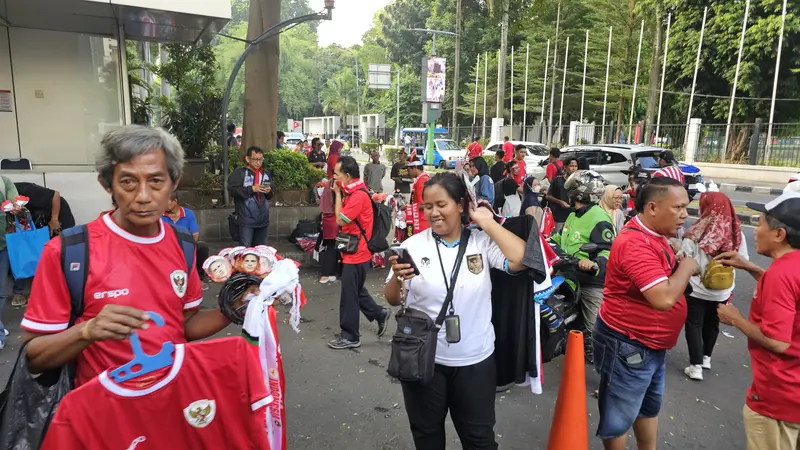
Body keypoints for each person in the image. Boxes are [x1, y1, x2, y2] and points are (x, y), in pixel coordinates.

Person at [20, 125, 229, 385]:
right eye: (128, 181)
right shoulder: (68, 252)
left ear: (174, 182)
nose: (143, 196)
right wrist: (86, 332)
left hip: (174, 407)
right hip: (102, 416)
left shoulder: (183, 245)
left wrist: (233, 308)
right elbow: (34, 356)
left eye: (155, 181)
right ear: (108, 184)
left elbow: (183, 325)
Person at [385, 172, 528, 449]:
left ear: (461, 205)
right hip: (425, 362)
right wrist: (397, 277)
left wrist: (486, 222)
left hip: (476, 363)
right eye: (428, 206)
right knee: (427, 438)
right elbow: (393, 299)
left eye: (442, 204)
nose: (434, 213)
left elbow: (522, 258)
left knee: (479, 440)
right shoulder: (412, 246)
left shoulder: (481, 243)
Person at [593, 177, 698, 450]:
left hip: (650, 343)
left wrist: (674, 260)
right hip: (628, 343)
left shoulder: (656, 236)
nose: (685, 215)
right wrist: (687, 267)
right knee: (619, 417)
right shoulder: (635, 243)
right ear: (652, 207)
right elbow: (663, 298)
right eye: (678, 208)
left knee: (647, 407)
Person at [714, 191, 800, 450]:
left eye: (760, 223)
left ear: (779, 234)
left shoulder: (781, 274)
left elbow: (777, 342)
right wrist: (752, 268)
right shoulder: (790, 268)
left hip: (779, 397)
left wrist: (736, 318)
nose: (755, 230)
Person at [679, 192, 747, 381]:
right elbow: (743, 260)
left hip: (696, 288)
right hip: (722, 290)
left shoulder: (695, 232)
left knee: (694, 324)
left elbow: (685, 258)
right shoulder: (736, 232)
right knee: (712, 323)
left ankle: (695, 366)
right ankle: (707, 357)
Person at [550, 170, 615, 361]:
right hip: (568, 274)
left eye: (569, 192)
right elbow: (560, 238)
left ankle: (606, 371)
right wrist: (541, 240)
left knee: (595, 327)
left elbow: (608, 251)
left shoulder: (599, 218)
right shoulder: (574, 215)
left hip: (590, 282)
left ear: (576, 194)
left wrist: (593, 264)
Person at [328, 156, 391, 350]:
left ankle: (350, 336)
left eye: (337, 175)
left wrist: (337, 195)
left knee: (349, 296)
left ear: (347, 176)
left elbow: (340, 220)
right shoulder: (354, 191)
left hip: (357, 253)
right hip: (353, 251)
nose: (334, 178)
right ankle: (379, 313)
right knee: (355, 290)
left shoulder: (357, 196)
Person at [11, 182, 77, 306]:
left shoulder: (24, 189)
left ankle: (66, 292)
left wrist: (55, 219)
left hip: (57, 215)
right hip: (35, 222)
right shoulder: (6, 204)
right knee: (26, 254)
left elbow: (55, 195)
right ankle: (23, 292)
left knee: (61, 253)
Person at [162, 191, 211, 290]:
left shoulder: (188, 214)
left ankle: (199, 278)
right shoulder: (160, 215)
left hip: (186, 245)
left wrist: (185, 247)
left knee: (202, 246)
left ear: (175, 201)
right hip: (167, 246)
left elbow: (195, 235)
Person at [228, 146, 274, 246]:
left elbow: (271, 194)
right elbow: (232, 190)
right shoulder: (240, 173)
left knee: (261, 250)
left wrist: (269, 191)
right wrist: (251, 189)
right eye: (255, 159)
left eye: (260, 160)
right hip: (246, 220)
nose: (258, 162)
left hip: (263, 219)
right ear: (247, 159)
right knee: (245, 250)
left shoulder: (265, 174)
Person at [545, 156, 579, 233]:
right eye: (571, 166)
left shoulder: (578, 182)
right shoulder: (558, 180)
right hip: (559, 217)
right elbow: (548, 196)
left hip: (573, 216)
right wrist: (560, 202)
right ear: (565, 167)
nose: (574, 168)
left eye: (576, 166)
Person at [317, 180, 339, 284]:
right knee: (333, 247)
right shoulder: (335, 185)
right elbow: (337, 205)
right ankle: (327, 273)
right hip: (335, 219)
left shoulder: (329, 183)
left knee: (331, 247)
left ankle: (329, 273)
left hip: (327, 219)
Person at [408, 159, 431, 234]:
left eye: (409, 170)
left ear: (415, 167)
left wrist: (407, 207)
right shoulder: (423, 178)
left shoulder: (422, 181)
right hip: (422, 218)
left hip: (422, 220)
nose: (408, 172)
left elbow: (424, 205)